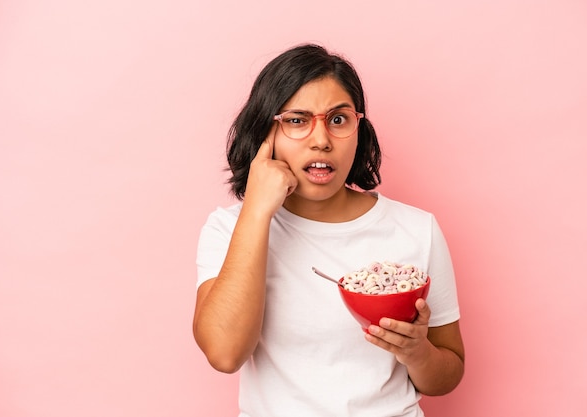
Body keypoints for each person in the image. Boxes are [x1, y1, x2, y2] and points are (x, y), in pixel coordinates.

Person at [193, 43, 464, 417]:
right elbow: (224, 354)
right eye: (297, 120)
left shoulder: (417, 229)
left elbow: (448, 375)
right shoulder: (227, 229)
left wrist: (417, 352)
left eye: (338, 119)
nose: (321, 140)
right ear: (265, 134)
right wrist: (256, 211)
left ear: (358, 129)